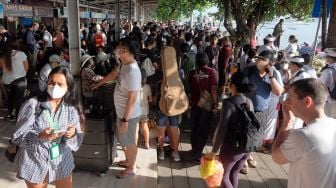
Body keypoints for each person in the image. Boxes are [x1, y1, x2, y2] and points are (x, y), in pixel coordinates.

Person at [12, 66, 84, 188]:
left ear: (68, 87)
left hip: (61, 159)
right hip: (35, 160)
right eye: (51, 82)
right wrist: (40, 136)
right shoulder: (33, 104)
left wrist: (72, 134)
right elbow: (18, 137)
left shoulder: (71, 108)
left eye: (60, 84)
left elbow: (77, 139)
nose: (54, 87)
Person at [272, 78, 336, 188]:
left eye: (290, 97)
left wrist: (288, 122)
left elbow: (276, 157)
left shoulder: (303, 136)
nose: (286, 101)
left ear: (307, 101)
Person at [93, 38, 141, 178]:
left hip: (129, 116)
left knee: (129, 142)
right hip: (122, 113)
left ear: (124, 51)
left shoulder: (133, 72)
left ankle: (132, 167)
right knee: (124, 140)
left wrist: (125, 120)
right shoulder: (125, 64)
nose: (115, 50)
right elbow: (114, 74)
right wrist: (99, 84)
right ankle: (128, 161)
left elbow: (132, 98)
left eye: (118, 47)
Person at [207, 71, 255, 188]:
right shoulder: (249, 101)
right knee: (234, 173)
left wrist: (214, 151)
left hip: (232, 147)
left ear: (233, 86)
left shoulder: (228, 103)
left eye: (229, 83)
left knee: (224, 175)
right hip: (247, 147)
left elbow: (222, 128)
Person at [188, 52, 218, 163]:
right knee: (203, 129)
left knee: (194, 128)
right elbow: (213, 89)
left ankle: (195, 150)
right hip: (206, 106)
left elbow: (190, 87)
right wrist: (215, 103)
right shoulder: (212, 72)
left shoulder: (192, 73)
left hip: (195, 104)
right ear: (207, 61)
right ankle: (197, 154)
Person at [0, 38, 28, 121]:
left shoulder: (3, 56)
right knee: (19, 98)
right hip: (20, 80)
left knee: (10, 98)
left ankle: (12, 115)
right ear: (16, 44)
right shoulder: (21, 54)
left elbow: (2, 68)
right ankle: (17, 116)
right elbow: (26, 67)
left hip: (7, 81)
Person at [319, 48, 336, 118]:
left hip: (328, 102)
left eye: (327, 57)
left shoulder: (328, 71)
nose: (327, 59)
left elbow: (320, 86)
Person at [139, 69, 152, 149]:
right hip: (144, 110)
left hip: (135, 111)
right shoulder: (147, 87)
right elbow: (150, 100)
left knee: (136, 128)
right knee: (145, 126)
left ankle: (134, 144)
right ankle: (147, 143)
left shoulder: (134, 86)